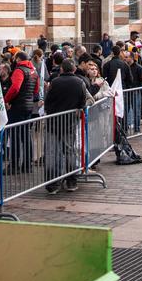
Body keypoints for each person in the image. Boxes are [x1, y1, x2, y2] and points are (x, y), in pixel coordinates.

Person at [43, 59, 89, 194]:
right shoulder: (80, 82)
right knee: (69, 152)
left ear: (62, 69)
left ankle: (52, 184)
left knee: (52, 153)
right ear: (74, 69)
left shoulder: (55, 82)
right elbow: (82, 102)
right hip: (69, 122)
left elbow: (48, 101)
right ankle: (71, 181)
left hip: (53, 122)